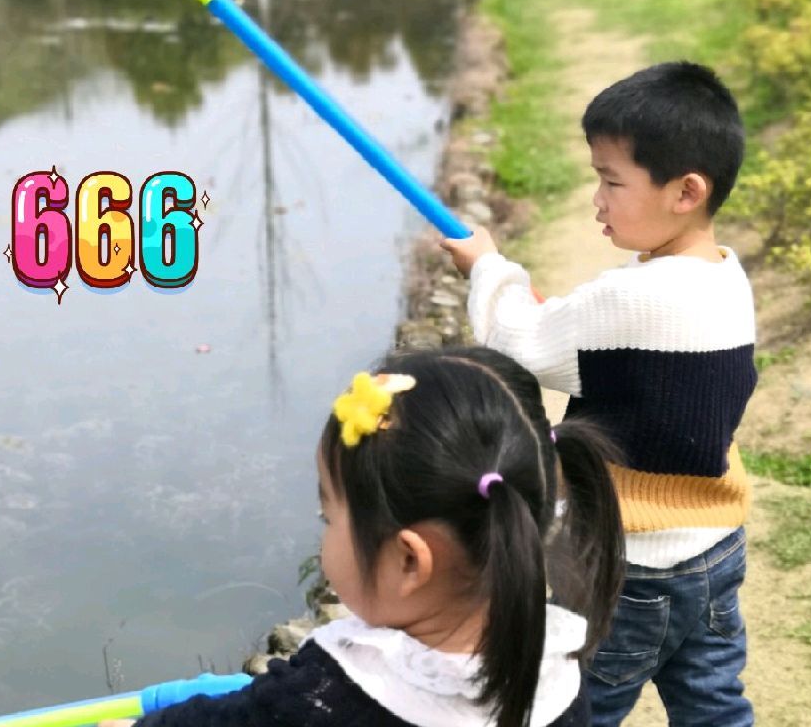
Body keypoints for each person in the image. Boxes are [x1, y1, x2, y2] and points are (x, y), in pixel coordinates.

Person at [441, 61, 757, 727]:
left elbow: (517, 339)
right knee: (713, 704)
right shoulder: (728, 277)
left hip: (630, 564)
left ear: (686, 191)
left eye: (612, 181)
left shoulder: (629, 296)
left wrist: (488, 268)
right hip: (715, 549)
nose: (597, 200)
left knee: (579, 708)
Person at [105, 346, 624, 727]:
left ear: (409, 561)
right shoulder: (555, 670)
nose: (324, 538)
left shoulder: (328, 697)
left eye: (329, 516)